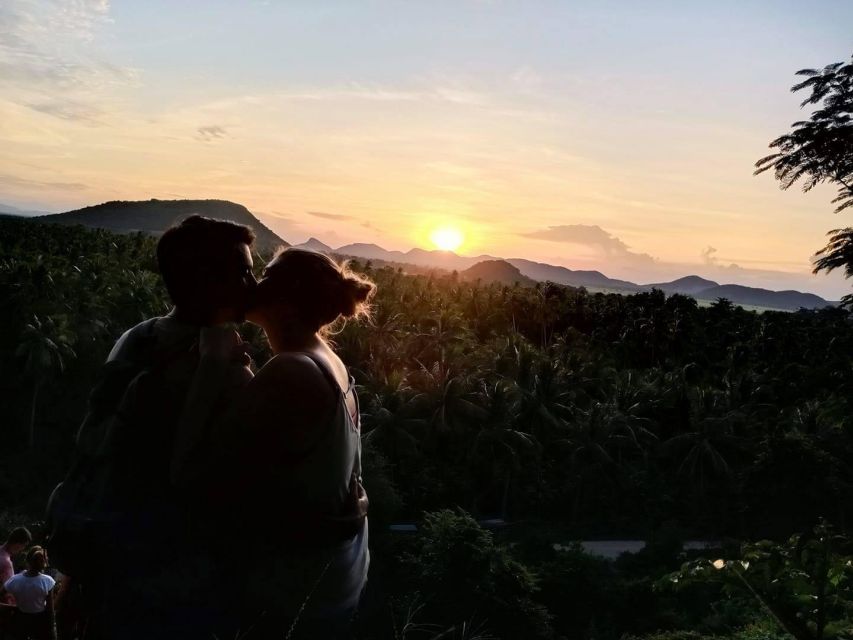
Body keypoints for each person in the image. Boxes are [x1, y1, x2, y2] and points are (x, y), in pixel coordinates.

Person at [70, 215, 258, 640]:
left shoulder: (137, 337)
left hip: (106, 556)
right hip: (173, 578)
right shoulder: (225, 372)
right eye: (243, 272)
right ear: (207, 282)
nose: (253, 283)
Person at [177, 248, 375, 640]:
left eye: (265, 275)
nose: (253, 283)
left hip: (294, 594)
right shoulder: (328, 361)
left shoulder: (292, 369)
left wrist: (213, 365)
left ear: (287, 298)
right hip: (337, 577)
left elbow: (188, 472)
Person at [1, 546, 56, 640]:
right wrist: (51, 628)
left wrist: (11, 608)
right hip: (40, 620)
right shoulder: (47, 581)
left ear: (28, 561)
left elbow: (1, 593)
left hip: (20, 619)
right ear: (44, 563)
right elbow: (50, 608)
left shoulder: (15, 580)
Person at [0, 528, 32, 605]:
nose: (22, 549)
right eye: (24, 545)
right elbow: (8, 593)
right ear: (18, 544)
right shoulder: (6, 563)